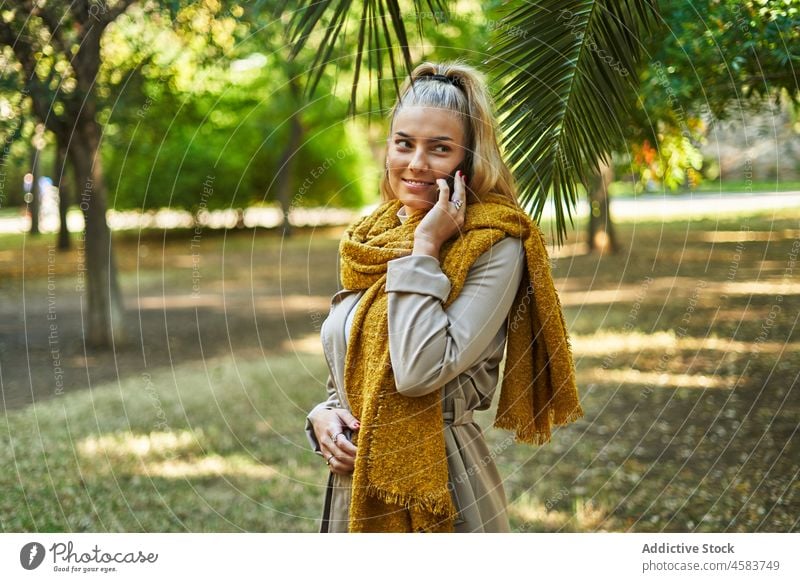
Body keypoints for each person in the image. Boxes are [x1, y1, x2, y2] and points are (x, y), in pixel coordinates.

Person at [305, 60, 584, 533]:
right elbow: (354, 367)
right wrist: (323, 414)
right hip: (355, 481)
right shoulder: (373, 236)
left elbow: (418, 372)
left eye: (439, 148)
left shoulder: (495, 242)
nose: (415, 164)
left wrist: (426, 249)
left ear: (468, 160)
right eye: (404, 143)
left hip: (445, 478)